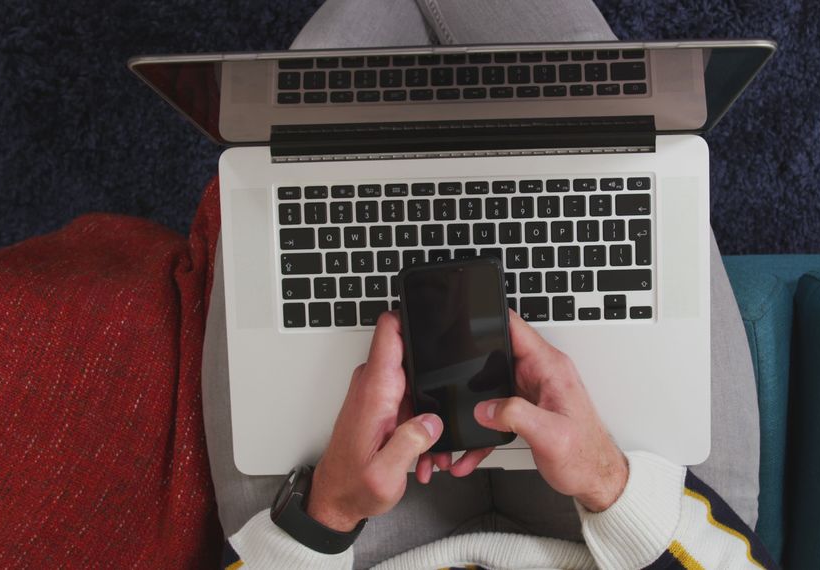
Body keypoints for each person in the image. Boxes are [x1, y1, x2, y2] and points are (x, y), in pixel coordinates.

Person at [201, 1, 771, 568]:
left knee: (292, 134)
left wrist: (328, 511)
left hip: (353, 542)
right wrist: (607, 478)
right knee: (611, 118)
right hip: (626, 536)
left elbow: (321, 521)